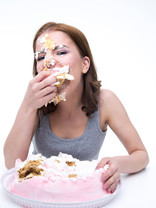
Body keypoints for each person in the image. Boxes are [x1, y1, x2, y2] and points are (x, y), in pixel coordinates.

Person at [3, 22, 149, 194]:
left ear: (84, 65)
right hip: (42, 193)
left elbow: (141, 155)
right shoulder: (36, 104)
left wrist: (118, 164)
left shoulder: (106, 101)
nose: (48, 62)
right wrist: (28, 104)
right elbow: (11, 164)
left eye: (61, 52)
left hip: (86, 194)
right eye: (41, 57)